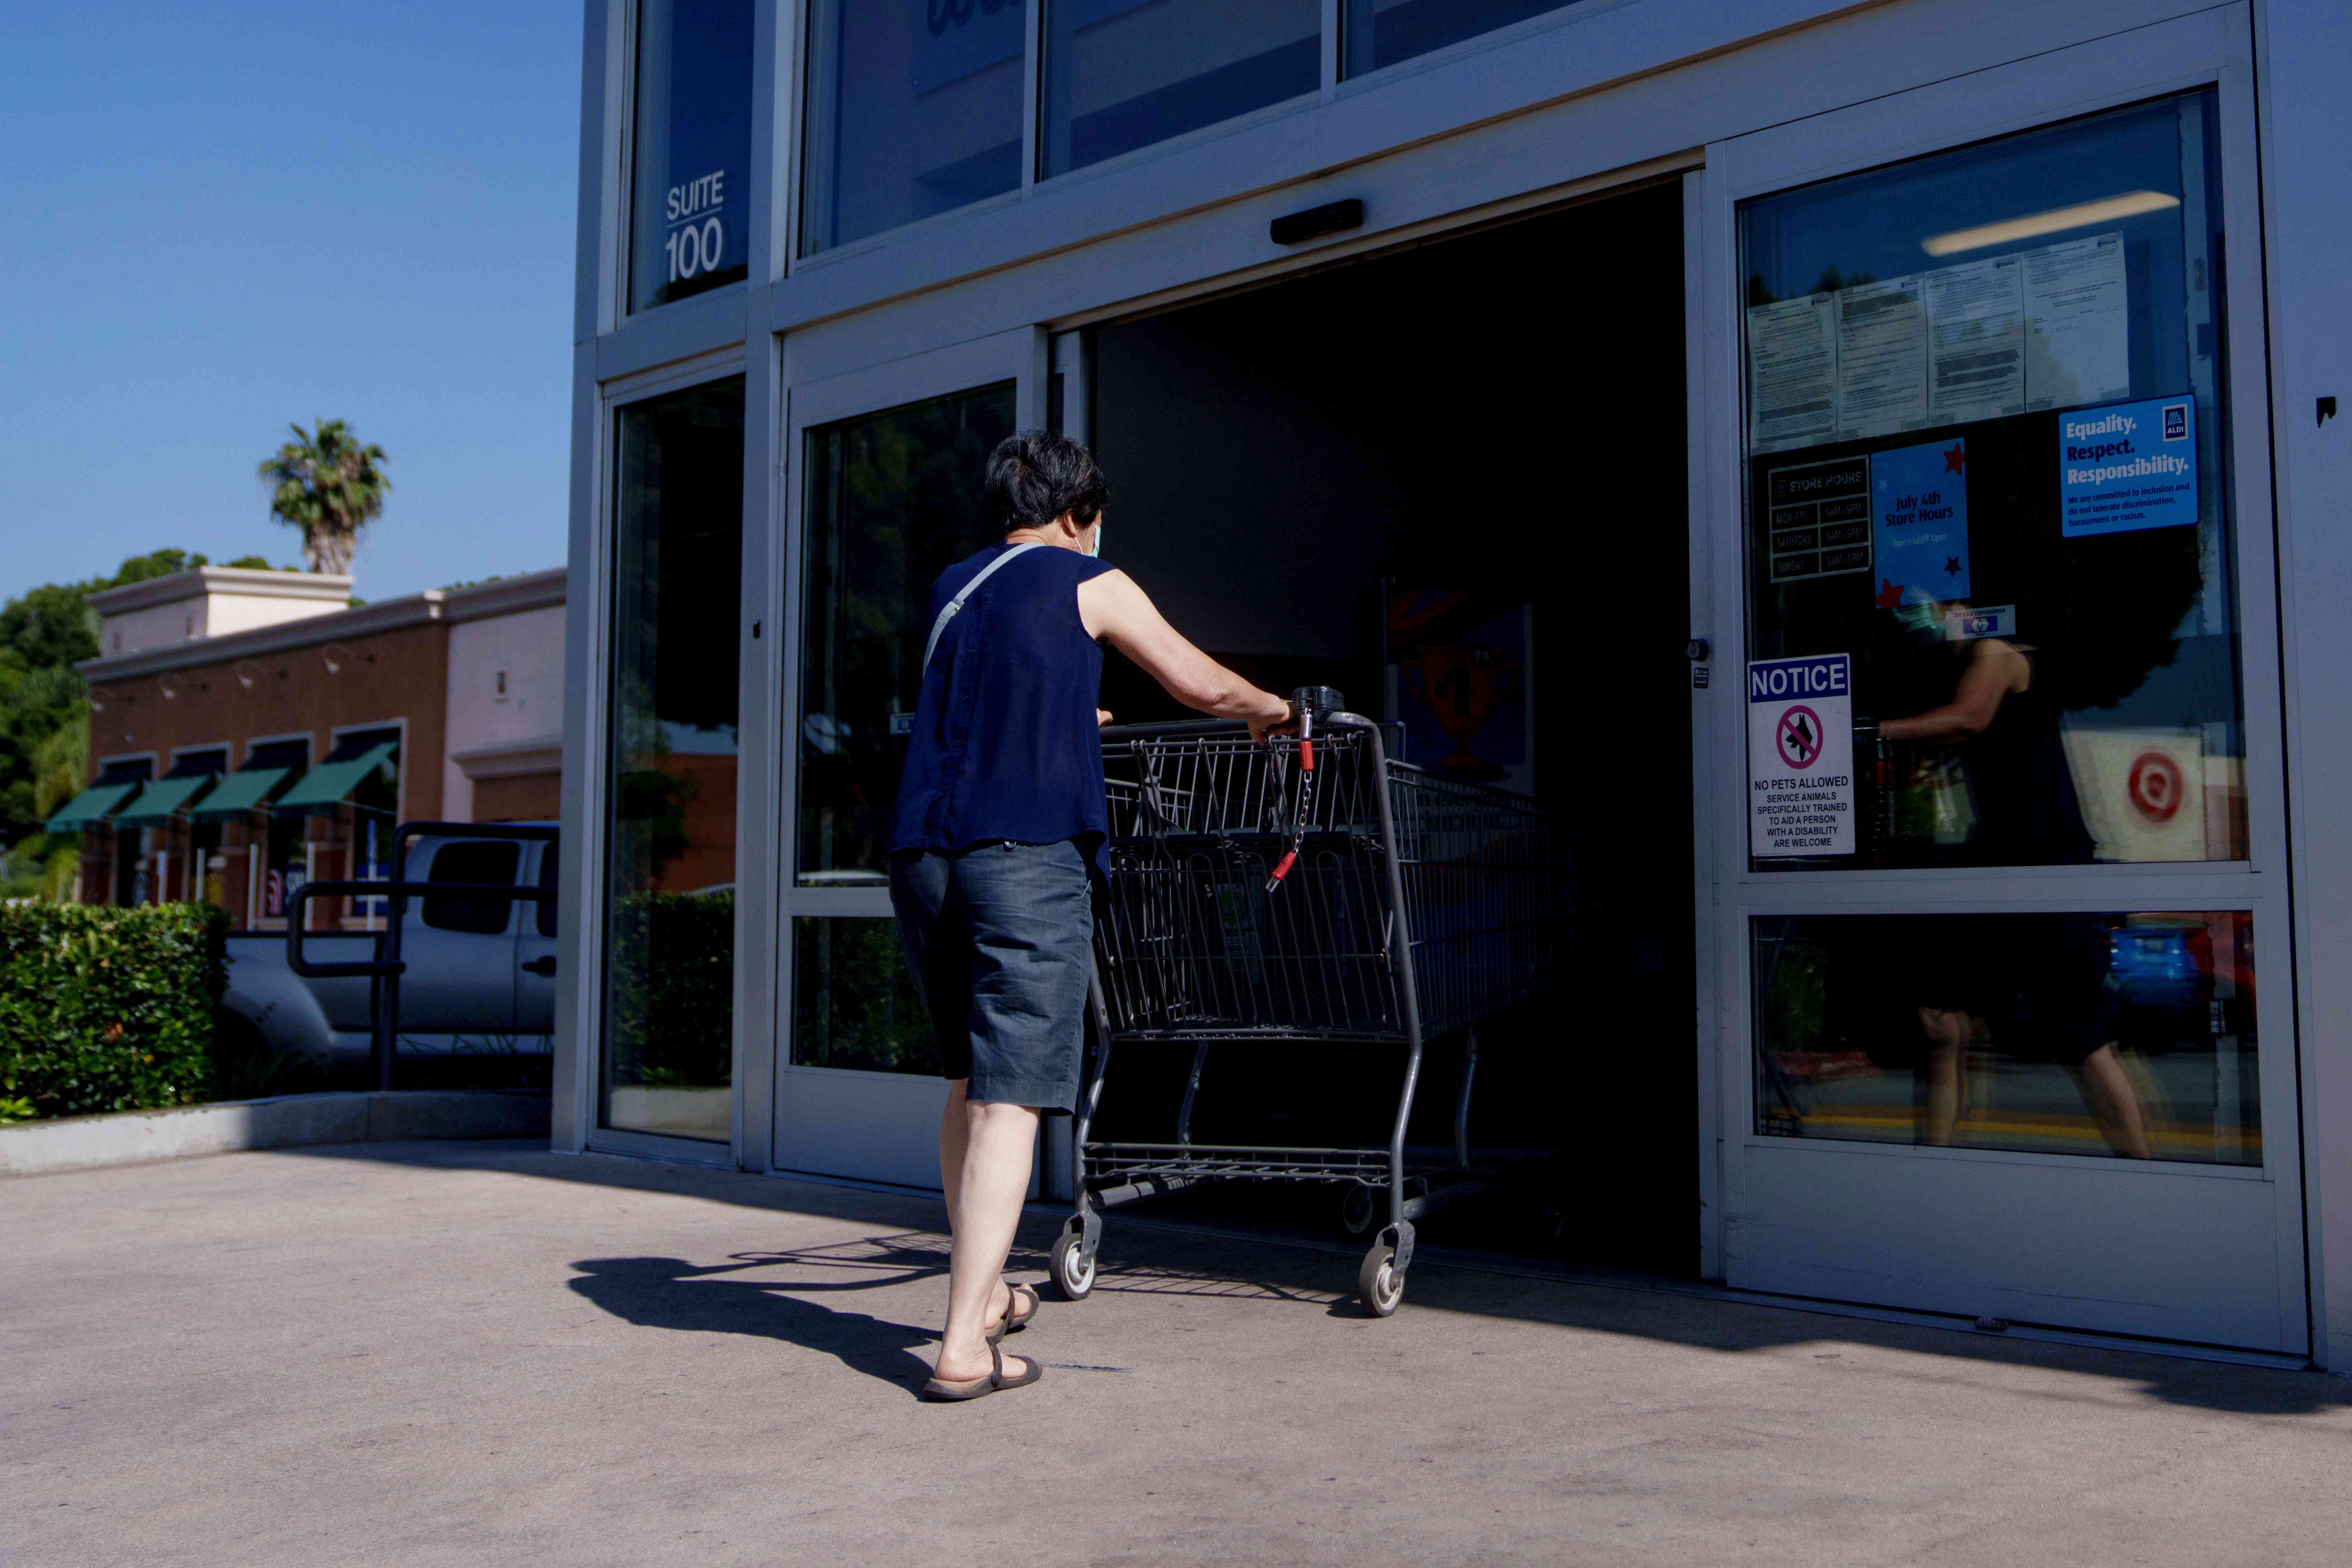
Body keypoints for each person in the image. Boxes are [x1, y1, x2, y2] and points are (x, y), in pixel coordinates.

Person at [890, 430, 1293, 1401]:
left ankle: (984, 1299)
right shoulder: (1091, 579)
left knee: (966, 1082)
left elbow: (981, 708)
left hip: (924, 858)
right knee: (1009, 1097)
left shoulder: (956, 586)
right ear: (1081, 512)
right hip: (1024, 858)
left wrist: (1077, 712)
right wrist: (1269, 710)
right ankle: (960, 1344)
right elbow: (1198, 682)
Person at [1878, 608, 2151, 1158]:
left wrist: (1874, 733)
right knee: (1943, 1025)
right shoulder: (1960, 670)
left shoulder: (1996, 655)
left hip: (2047, 874)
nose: (1926, 621)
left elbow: (1969, 719)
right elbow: (1969, 736)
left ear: (1963, 611)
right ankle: (1933, 1168)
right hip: (2000, 873)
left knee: (2085, 1043)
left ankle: (2146, 1169)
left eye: (1937, 609)